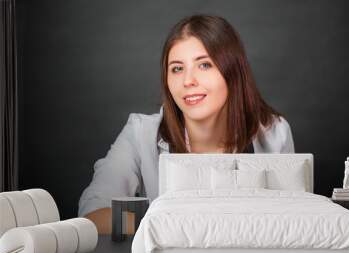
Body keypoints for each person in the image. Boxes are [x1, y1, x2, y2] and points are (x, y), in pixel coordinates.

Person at [78, 14, 295, 233]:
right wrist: (174, 225)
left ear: (233, 72)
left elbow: (295, 222)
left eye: (204, 65)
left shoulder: (274, 133)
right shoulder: (140, 133)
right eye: (177, 68)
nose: (188, 81)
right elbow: (92, 215)